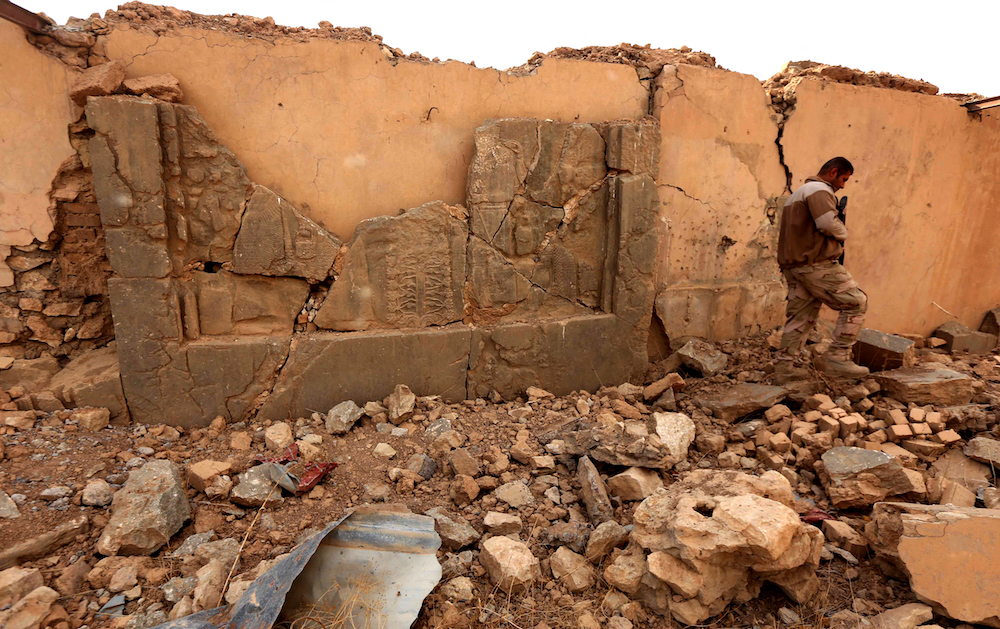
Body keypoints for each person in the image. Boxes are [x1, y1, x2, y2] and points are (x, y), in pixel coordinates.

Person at [774, 157, 869, 382]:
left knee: (801, 316)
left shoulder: (798, 193)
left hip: (795, 266)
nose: (843, 185)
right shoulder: (818, 189)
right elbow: (827, 223)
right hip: (816, 265)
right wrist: (843, 233)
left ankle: (784, 369)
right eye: (844, 179)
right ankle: (837, 358)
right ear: (834, 172)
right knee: (856, 302)